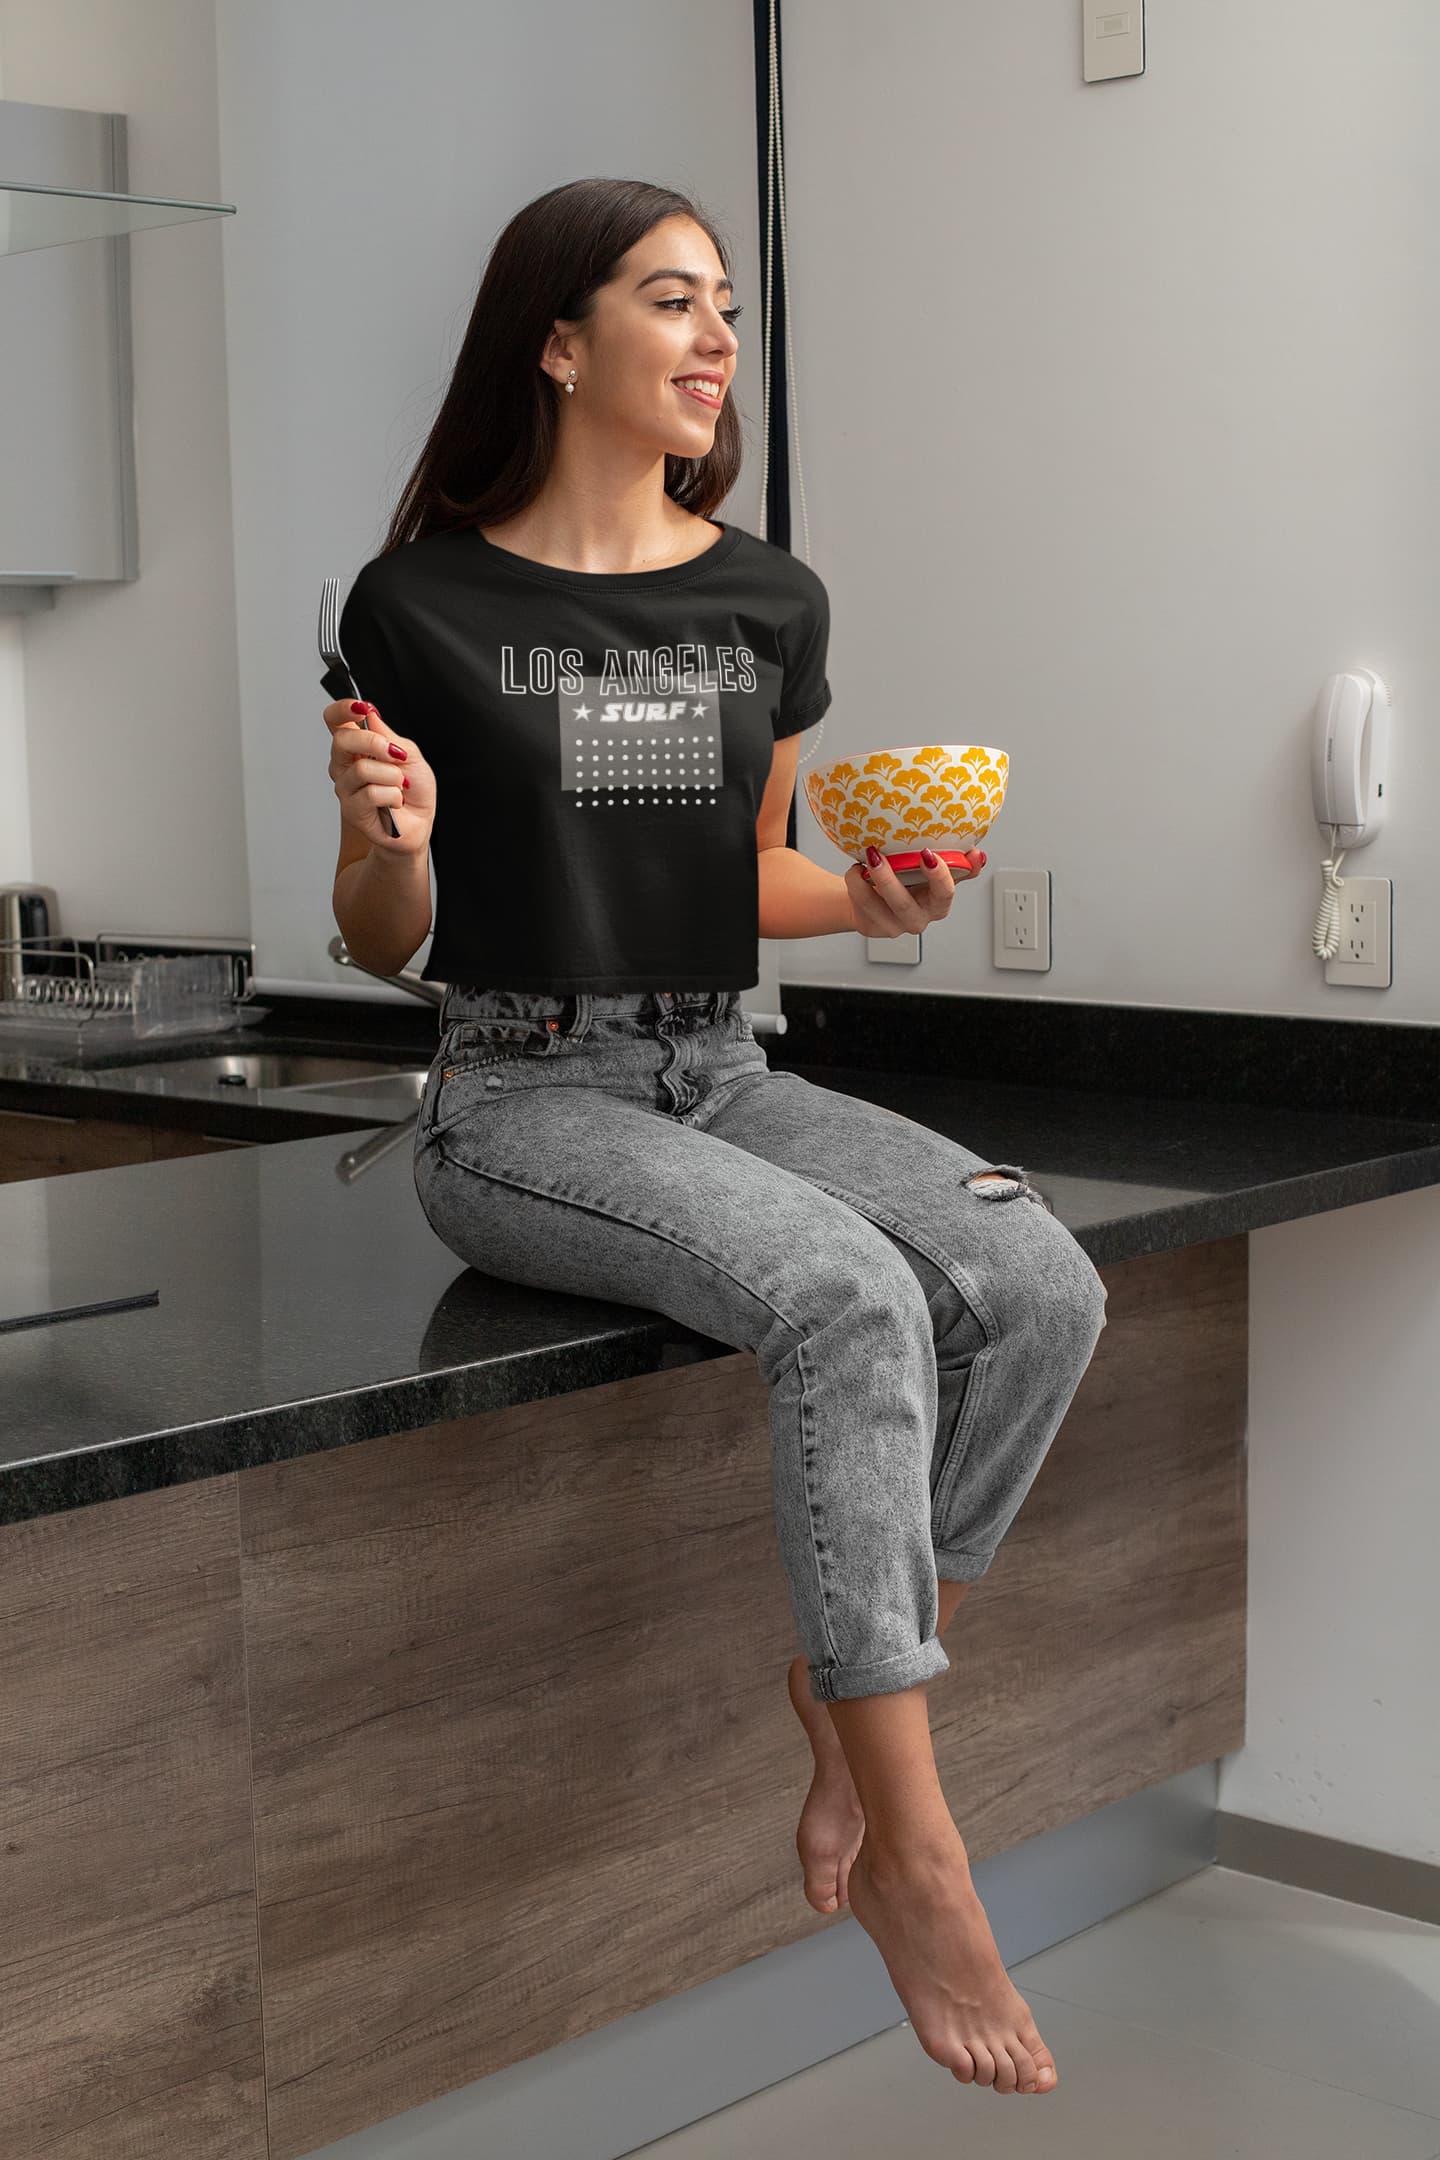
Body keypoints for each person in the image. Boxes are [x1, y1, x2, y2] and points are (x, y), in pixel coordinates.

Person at [323, 175, 1106, 2100]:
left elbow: (745, 877)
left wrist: (880, 905)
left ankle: (848, 1701)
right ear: (561, 342)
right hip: (515, 1091)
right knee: (848, 1295)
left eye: (729, 310)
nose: (715, 341)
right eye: (672, 302)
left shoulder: (766, 592)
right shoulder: (416, 601)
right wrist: (387, 846)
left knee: (1036, 1278)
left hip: (716, 1063)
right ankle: (924, 1848)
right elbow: (385, 938)